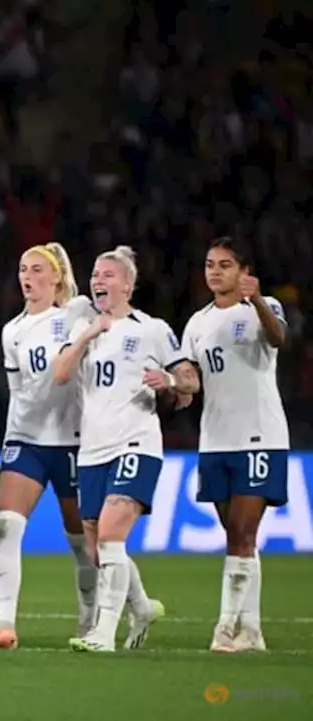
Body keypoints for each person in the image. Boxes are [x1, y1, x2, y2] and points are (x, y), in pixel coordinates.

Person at [52, 246, 199, 653]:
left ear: (128, 285)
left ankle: (103, 634)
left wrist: (169, 382)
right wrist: (87, 333)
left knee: (113, 539)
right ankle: (141, 606)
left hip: (136, 442)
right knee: (98, 549)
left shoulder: (151, 329)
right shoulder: (82, 327)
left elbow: (190, 380)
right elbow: (61, 375)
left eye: (109, 274)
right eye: (96, 274)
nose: (99, 280)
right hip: (93, 450)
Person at [0, 243, 99, 650]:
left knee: (83, 542)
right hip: (26, 441)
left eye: (36, 269)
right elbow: (18, 393)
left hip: (73, 442)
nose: (27, 277)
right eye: (22, 269)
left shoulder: (77, 313)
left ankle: (91, 620)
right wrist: (9, 439)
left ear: (56, 277)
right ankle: (5, 623)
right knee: (6, 526)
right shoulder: (12, 330)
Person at [180, 237, 289, 653]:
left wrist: (258, 300)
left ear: (244, 271)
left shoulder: (264, 307)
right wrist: (179, 386)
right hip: (215, 440)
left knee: (242, 533)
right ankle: (253, 631)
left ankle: (225, 629)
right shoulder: (197, 323)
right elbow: (191, 375)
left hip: (259, 436)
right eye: (210, 264)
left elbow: (278, 339)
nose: (215, 272)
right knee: (238, 537)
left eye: (225, 265)